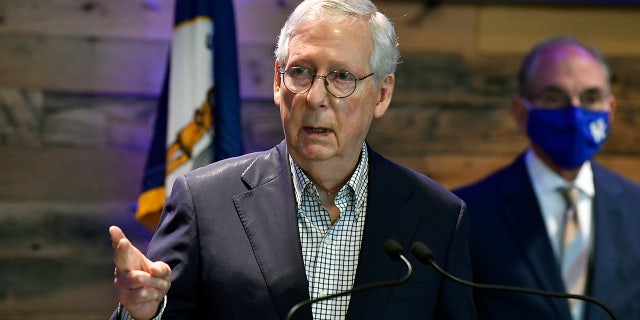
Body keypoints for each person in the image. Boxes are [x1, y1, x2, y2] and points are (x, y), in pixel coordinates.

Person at [109, 0, 476, 319]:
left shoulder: (437, 218)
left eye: (341, 77)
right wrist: (143, 313)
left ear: (382, 94)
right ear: (277, 81)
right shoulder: (204, 202)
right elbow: (156, 308)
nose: (316, 97)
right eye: (300, 72)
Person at [453, 36, 640, 320]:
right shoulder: (467, 213)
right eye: (554, 98)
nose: (575, 114)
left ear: (610, 110)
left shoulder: (635, 208)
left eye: (591, 98)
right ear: (521, 112)